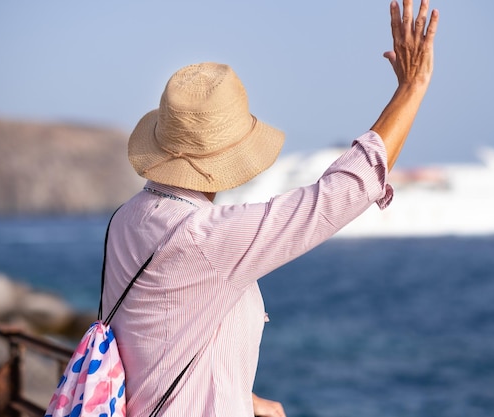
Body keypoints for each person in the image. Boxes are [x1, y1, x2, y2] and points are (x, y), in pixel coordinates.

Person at [103, 0, 439, 416]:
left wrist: (243, 401)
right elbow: (340, 194)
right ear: (227, 156)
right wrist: (412, 88)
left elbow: (156, 342)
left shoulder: (127, 217)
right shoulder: (205, 238)